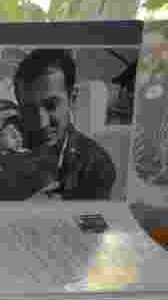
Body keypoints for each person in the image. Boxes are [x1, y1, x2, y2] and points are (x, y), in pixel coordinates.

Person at [13, 48, 116, 200]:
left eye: (51, 106)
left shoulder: (95, 164)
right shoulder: (5, 152)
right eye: (29, 109)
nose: (42, 123)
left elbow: (91, 220)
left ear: (72, 99)